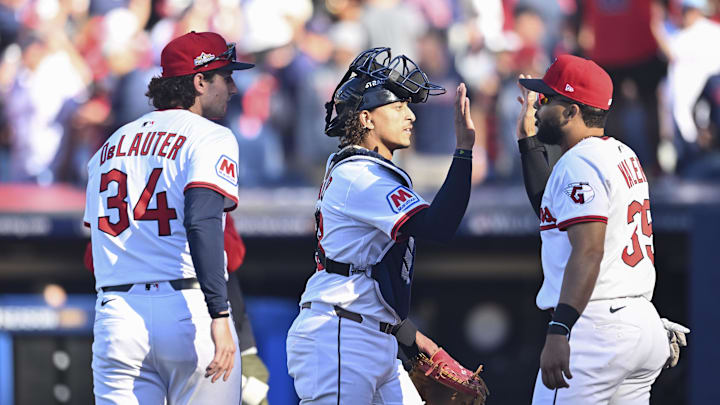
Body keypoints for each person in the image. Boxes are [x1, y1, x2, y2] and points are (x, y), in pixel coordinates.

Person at [285, 46, 475, 403]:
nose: (411, 117)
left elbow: (375, 274)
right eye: (398, 106)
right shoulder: (361, 175)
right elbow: (439, 227)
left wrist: (414, 338)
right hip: (339, 337)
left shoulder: (363, 170)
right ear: (366, 118)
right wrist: (463, 150)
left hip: (370, 335)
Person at [83, 31, 253, 404]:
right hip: (187, 310)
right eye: (226, 77)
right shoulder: (210, 136)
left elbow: (94, 251)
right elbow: (202, 222)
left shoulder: (108, 146)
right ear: (199, 81)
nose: (233, 88)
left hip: (117, 315)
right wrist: (220, 314)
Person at [514, 54, 686, 404]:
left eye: (546, 99)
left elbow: (589, 249)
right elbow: (552, 210)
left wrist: (560, 327)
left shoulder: (579, 162)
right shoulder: (622, 154)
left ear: (571, 111)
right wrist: (527, 140)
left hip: (595, 326)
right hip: (640, 323)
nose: (537, 106)